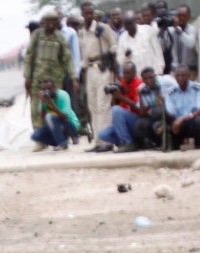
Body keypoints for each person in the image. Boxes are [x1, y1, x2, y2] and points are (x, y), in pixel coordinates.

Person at [23, 9, 73, 131]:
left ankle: (56, 135)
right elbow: (29, 56)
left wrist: (73, 76)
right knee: (36, 106)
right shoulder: (37, 35)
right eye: (48, 21)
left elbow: (67, 58)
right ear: (44, 22)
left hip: (55, 79)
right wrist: (27, 77)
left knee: (55, 106)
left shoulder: (60, 37)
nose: (50, 24)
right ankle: (39, 137)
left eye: (53, 21)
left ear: (57, 22)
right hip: (38, 78)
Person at [79, 1, 119, 152]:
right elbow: (83, 53)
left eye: (91, 13)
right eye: (86, 13)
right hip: (89, 69)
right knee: (93, 106)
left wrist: (112, 63)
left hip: (103, 68)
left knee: (103, 105)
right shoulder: (82, 31)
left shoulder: (102, 28)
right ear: (82, 14)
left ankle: (106, 141)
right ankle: (97, 141)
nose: (89, 15)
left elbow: (114, 45)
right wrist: (82, 71)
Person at [92, 62, 143, 152]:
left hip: (137, 121)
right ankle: (130, 142)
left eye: (128, 73)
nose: (125, 75)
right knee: (103, 134)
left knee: (116, 110)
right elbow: (114, 105)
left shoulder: (138, 84)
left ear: (134, 72)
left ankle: (128, 143)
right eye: (124, 73)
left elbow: (139, 108)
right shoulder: (122, 82)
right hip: (124, 120)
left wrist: (121, 97)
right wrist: (114, 95)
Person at [161, 65, 200, 150]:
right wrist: (163, 105)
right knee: (165, 124)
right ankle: (175, 143)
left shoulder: (198, 89)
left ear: (188, 76)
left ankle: (198, 142)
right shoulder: (171, 92)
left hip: (192, 121)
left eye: (183, 75)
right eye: (177, 76)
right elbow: (171, 113)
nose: (180, 78)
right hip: (178, 124)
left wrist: (182, 119)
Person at [31, 78, 80, 151]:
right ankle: (58, 142)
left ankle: (63, 143)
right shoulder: (44, 98)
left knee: (49, 116)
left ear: (54, 88)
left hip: (70, 124)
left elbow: (65, 116)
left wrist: (52, 105)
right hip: (55, 126)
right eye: (44, 90)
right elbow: (42, 117)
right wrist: (43, 103)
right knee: (35, 135)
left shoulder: (63, 95)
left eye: (49, 89)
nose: (47, 92)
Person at [117, 10, 165, 77]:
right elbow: (120, 60)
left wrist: (161, 69)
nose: (128, 26)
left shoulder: (147, 30)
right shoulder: (122, 38)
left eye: (130, 23)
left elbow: (158, 50)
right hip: (137, 79)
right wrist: (126, 56)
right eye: (126, 24)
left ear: (134, 21)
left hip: (153, 75)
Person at [170, 5, 198, 78]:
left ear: (189, 17)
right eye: (179, 15)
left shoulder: (192, 29)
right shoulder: (172, 30)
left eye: (183, 16)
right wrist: (162, 31)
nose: (180, 18)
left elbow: (191, 44)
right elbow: (163, 46)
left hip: (189, 69)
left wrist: (179, 31)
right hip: (175, 69)